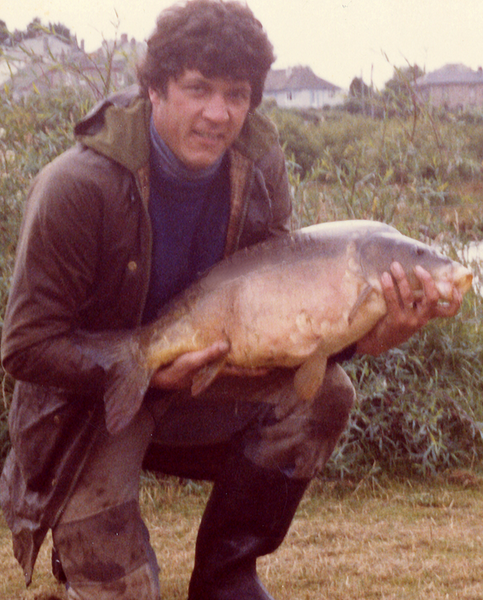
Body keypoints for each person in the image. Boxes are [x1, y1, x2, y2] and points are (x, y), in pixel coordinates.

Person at [0, 1, 462, 599]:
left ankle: (226, 576)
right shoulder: (76, 187)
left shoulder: (259, 166)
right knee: (123, 592)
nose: (218, 114)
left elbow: (286, 323)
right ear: (155, 89)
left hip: (199, 384)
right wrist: (151, 374)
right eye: (197, 89)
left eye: (237, 95)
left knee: (324, 394)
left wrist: (373, 335)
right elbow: (25, 347)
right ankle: (83, 555)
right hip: (88, 409)